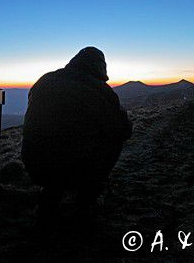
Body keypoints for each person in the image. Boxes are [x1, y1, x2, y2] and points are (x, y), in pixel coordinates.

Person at [21, 47, 132, 228]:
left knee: (57, 149)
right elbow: (124, 130)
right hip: (75, 169)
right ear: (101, 67)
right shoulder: (101, 90)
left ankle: (49, 198)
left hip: (34, 164)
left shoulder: (45, 80)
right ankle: (87, 198)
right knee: (114, 137)